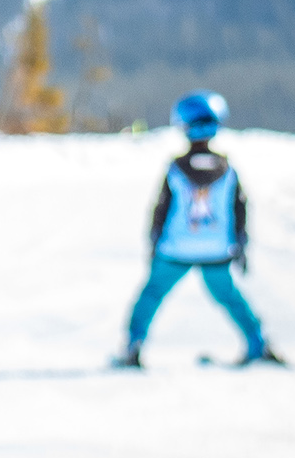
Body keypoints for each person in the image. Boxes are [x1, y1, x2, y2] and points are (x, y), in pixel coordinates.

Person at [113, 90, 283, 369]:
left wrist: (154, 241)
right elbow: (239, 208)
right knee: (229, 297)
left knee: (152, 294)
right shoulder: (227, 169)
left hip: (176, 248)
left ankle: (133, 345)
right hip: (216, 249)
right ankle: (258, 343)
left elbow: (162, 208)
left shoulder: (176, 168)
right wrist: (240, 244)